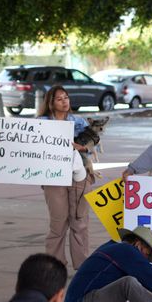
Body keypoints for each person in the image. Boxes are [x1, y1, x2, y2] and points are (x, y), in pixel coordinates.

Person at [39, 85, 92, 269]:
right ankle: (55, 265)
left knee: (79, 221)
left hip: (79, 175)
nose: (64, 101)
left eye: (66, 97)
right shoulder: (41, 122)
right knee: (58, 223)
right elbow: (21, 140)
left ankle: (82, 266)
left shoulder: (80, 122)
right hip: (53, 176)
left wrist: (81, 147)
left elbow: (94, 144)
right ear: (51, 103)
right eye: (59, 99)